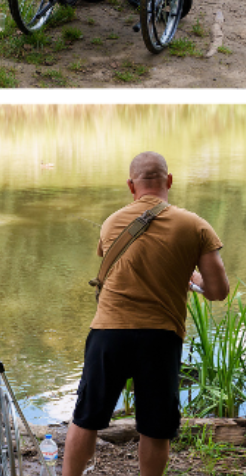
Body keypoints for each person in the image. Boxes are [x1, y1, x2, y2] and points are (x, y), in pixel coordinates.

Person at [61, 152, 229, 476]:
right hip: (159, 337)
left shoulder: (111, 222)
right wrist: (192, 278)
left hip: (108, 333)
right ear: (169, 181)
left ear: (130, 185)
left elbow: (122, 262)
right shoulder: (196, 226)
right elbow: (218, 292)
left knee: (86, 417)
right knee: (155, 425)